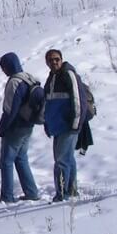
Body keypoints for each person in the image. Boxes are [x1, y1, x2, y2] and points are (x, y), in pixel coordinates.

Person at [0, 53, 41, 203]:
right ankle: (31, 192)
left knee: (6, 162)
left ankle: (7, 196)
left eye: (3, 67)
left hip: (15, 127)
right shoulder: (29, 77)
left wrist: (2, 127)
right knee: (21, 158)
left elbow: (10, 110)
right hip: (28, 124)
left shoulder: (14, 82)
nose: (3, 70)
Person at [43, 49, 83, 201]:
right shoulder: (51, 77)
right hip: (57, 126)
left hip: (68, 125)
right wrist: (47, 123)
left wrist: (75, 123)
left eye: (56, 59)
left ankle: (62, 194)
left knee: (61, 161)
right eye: (51, 60)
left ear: (61, 59)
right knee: (67, 159)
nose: (54, 62)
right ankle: (71, 191)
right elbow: (48, 103)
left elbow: (77, 99)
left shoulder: (68, 74)